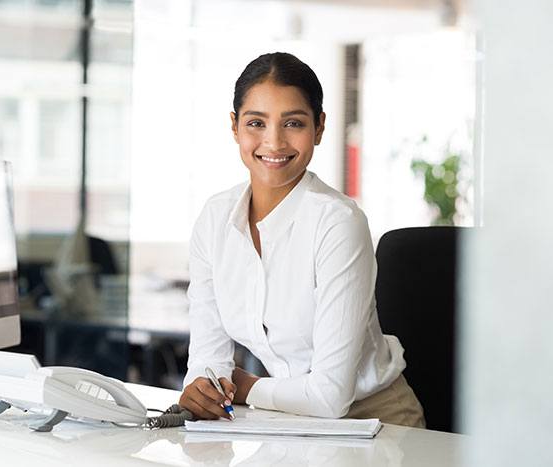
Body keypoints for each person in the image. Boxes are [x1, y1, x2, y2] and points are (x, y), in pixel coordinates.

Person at [178, 52, 425, 427]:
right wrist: (205, 387)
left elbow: (329, 396)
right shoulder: (215, 219)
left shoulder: (337, 223)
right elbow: (209, 361)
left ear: (319, 128)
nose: (274, 142)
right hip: (289, 419)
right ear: (234, 127)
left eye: (293, 122)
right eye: (256, 123)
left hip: (376, 422)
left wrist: (244, 388)